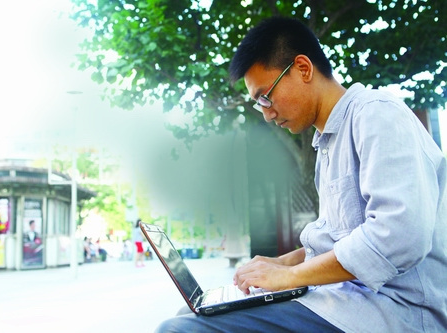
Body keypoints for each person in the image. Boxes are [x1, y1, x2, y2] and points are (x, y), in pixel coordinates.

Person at [155, 16, 447, 332]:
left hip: (397, 311)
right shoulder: (327, 144)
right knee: (188, 316)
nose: (266, 113)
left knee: (178, 330)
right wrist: (284, 263)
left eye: (265, 96)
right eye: (258, 104)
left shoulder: (376, 113)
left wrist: (291, 277)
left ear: (303, 68)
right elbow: (339, 237)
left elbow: (401, 234)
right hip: (346, 301)